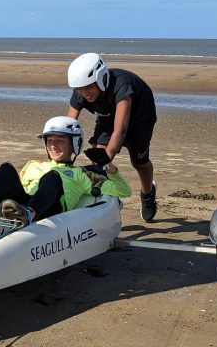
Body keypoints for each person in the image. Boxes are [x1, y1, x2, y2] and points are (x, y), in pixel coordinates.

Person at [0, 116, 131, 226]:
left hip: (50, 212)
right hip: (21, 206)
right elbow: (17, 189)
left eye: (60, 140)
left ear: (75, 144)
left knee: (52, 177)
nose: (53, 145)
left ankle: (29, 214)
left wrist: (108, 165)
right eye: (50, 140)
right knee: (6, 169)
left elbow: (124, 191)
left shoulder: (82, 174)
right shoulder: (33, 164)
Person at [65, 53, 158, 221]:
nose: (84, 93)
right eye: (80, 88)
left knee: (139, 162)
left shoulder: (122, 85)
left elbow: (120, 131)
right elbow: (68, 126)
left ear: (101, 78)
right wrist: (63, 156)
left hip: (140, 118)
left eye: (88, 87)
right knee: (97, 153)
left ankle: (148, 193)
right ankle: (107, 197)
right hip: (108, 116)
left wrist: (105, 160)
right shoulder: (80, 92)